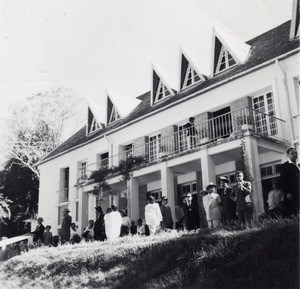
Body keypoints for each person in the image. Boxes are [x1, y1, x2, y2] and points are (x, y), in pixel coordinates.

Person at [280, 147, 299, 217]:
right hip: (292, 193)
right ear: (288, 155)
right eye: (292, 153)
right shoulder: (284, 166)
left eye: (296, 153)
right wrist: (288, 192)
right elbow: (284, 181)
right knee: (295, 210)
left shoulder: (299, 165)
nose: (294, 155)